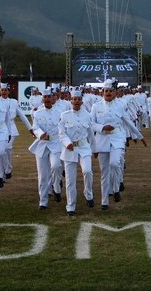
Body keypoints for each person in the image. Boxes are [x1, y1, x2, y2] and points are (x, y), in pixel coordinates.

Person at [91, 78, 143, 206]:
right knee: (104, 172)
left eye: (110, 91)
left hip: (117, 138)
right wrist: (102, 127)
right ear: (103, 92)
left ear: (114, 92)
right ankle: (104, 202)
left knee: (115, 163)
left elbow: (128, 121)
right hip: (102, 140)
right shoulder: (96, 106)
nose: (108, 93)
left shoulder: (120, 105)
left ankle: (115, 189)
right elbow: (91, 123)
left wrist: (139, 136)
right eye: (106, 91)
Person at [59, 88, 95, 216]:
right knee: (70, 180)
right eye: (75, 99)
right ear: (71, 100)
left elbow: (90, 133)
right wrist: (67, 142)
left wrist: (94, 148)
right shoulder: (64, 115)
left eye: (79, 99)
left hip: (84, 147)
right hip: (70, 148)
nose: (77, 102)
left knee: (87, 171)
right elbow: (61, 132)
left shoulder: (87, 115)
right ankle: (70, 206)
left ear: (82, 101)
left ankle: (88, 193)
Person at [28, 87, 63, 209]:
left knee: (56, 166)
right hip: (42, 144)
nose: (47, 99)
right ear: (42, 99)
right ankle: (43, 201)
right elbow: (35, 127)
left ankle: (57, 188)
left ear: (53, 98)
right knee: (42, 174)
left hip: (56, 143)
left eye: (49, 97)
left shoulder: (59, 112)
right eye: (45, 97)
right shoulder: (37, 113)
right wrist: (40, 134)